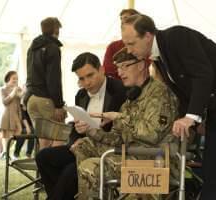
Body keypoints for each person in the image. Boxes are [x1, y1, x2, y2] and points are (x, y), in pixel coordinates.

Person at [121, 14, 216, 200]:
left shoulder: (176, 37)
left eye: (131, 43)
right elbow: (185, 92)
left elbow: (203, 74)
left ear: (147, 35)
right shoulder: (159, 57)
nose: (129, 50)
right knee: (215, 170)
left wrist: (191, 116)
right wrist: (195, 120)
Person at [71, 48, 179, 200]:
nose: (120, 72)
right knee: (83, 145)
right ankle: (94, 194)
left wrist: (119, 117)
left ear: (141, 65)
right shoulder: (132, 98)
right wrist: (91, 130)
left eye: (125, 66)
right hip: (131, 154)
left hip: (154, 160)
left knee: (90, 167)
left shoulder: (160, 94)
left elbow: (151, 135)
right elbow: (117, 138)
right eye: (118, 67)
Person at [35, 52, 126, 200]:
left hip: (107, 150)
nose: (86, 83)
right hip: (83, 147)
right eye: (81, 79)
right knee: (43, 157)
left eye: (90, 75)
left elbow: (122, 130)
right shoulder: (81, 95)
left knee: (70, 172)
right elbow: (77, 126)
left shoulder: (120, 90)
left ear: (101, 70)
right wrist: (75, 139)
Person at [25, 17, 67, 149]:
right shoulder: (52, 48)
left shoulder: (32, 48)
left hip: (30, 98)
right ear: (56, 29)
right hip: (45, 99)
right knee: (59, 137)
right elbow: (53, 78)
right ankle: (52, 169)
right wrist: (59, 104)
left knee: (43, 141)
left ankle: (42, 169)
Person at [103, 8, 140, 79]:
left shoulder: (143, 45)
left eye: (126, 18)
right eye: (121, 19)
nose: (122, 21)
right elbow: (107, 69)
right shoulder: (113, 46)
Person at [0, 71, 23, 159]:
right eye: (14, 78)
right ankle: (6, 153)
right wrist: (13, 92)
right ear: (8, 78)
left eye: (17, 78)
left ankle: (5, 152)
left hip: (16, 115)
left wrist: (23, 92)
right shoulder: (3, 89)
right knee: (6, 135)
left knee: (18, 132)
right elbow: (5, 102)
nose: (15, 80)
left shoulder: (18, 88)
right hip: (7, 114)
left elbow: (21, 99)